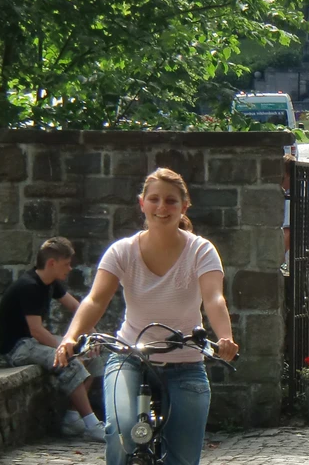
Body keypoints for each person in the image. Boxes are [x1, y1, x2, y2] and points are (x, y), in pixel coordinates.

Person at [54, 168, 240, 465]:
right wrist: (71, 337)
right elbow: (95, 300)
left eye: (170, 201)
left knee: (183, 451)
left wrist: (225, 337)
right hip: (130, 355)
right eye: (154, 199)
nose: (161, 207)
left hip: (185, 361)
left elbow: (214, 299)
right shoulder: (122, 251)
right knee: (122, 430)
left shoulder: (201, 251)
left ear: (184, 207)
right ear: (142, 203)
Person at [0, 236, 103, 442]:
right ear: (51, 263)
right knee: (71, 363)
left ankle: (72, 418)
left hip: (33, 342)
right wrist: (66, 348)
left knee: (93, 355)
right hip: (18, 347)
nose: (70, 269)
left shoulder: (52, 283)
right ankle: (92, 424)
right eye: (66, 264)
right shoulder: (30, 286)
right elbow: (36, 331)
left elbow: (78, 310)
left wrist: (93, 336)